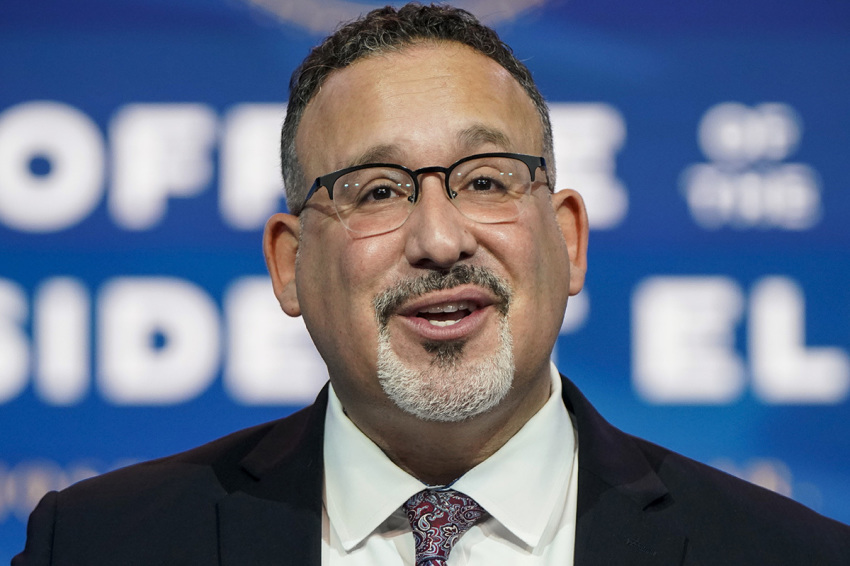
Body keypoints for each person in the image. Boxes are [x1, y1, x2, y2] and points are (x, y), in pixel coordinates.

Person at [13, 3, 850, 565]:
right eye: (378, 191)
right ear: (288, 264)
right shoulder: (99, 544)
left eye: (486, 180)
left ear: (568, 240)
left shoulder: (788, 554)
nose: (441, 240)